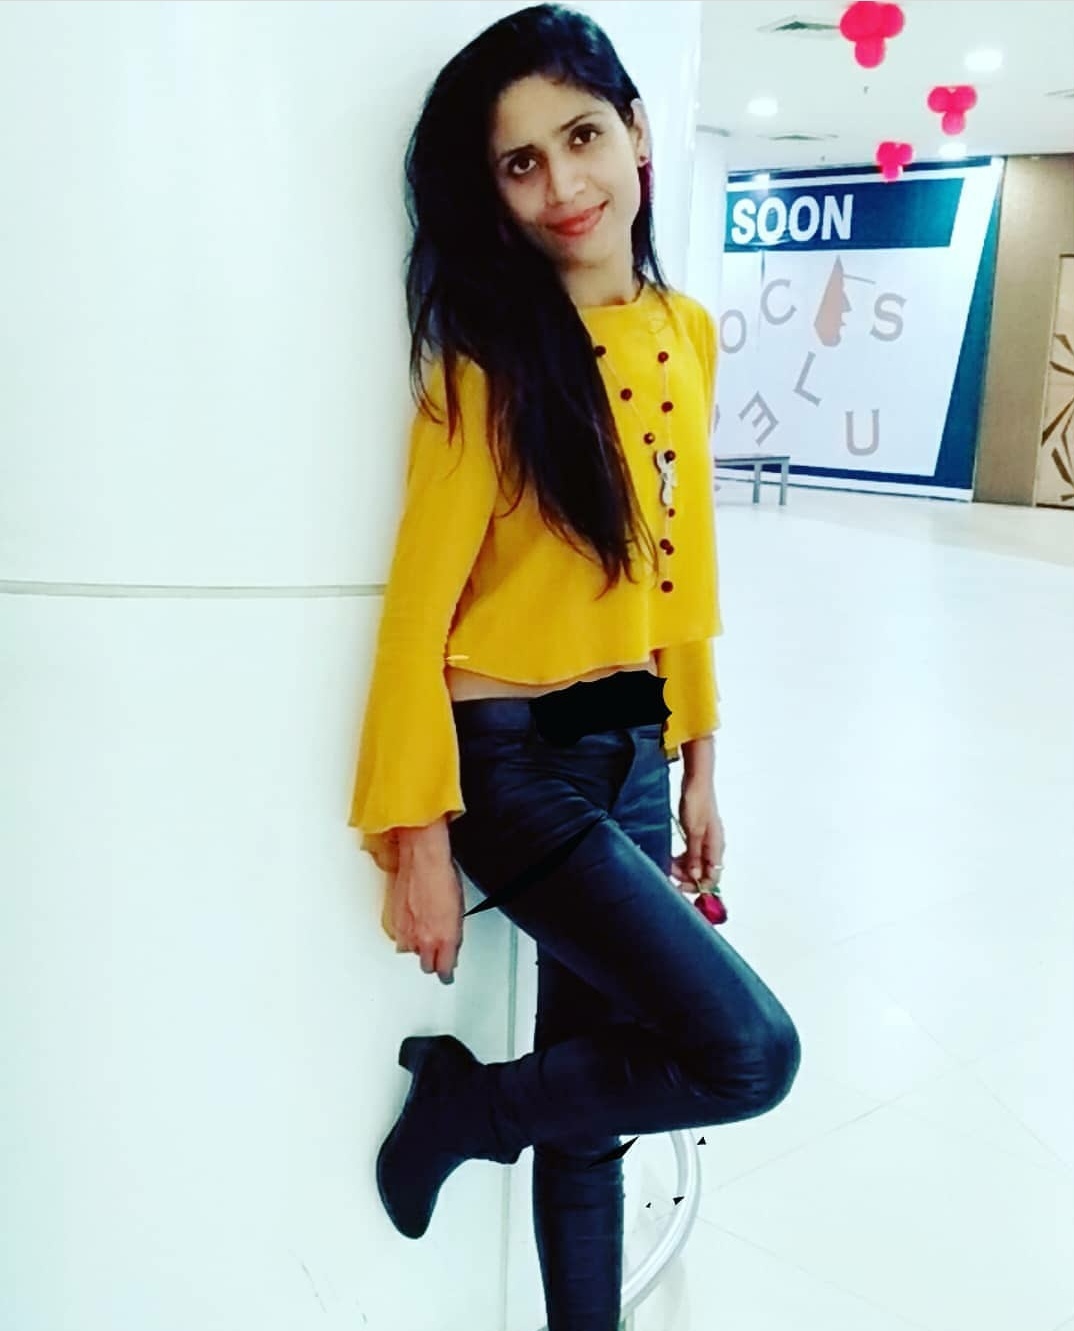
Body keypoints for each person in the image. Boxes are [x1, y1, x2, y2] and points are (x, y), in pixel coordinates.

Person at [347, 6, 801, 1327]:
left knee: (592, 1123)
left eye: (582, 137)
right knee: (746, 1053)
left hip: (634, 751)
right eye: (521, 162)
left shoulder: (686, 333)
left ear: (639, 134)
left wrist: (700, 756)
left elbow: (679, 569)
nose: (562, 185)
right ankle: (467, 1109)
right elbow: (414, 619)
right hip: (512, 769)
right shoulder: (484, 369)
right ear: (490, 193)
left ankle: (489, 1129)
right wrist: (417, 836)